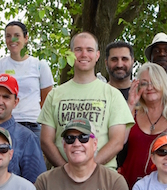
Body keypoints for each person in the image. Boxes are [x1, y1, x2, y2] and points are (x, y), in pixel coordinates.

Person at [37, 32, 133, 168]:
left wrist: (89, 169)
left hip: (101, 176)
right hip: (62, 177)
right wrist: (67, 171)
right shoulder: (55, 95)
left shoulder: (113, 95)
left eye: (89, 50)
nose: (84, 54)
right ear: (70, 54)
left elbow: (117, 141)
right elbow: (46, 141)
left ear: (97, 55)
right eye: (78, 50)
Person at [118, 63, 167, 189]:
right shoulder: (132, 112)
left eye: (155, 82)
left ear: (164, 84)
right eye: (144, 83)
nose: (149, 87)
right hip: (131, 186)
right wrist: (131, 104)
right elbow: (119, 141)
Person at [0, 21, 54, 142]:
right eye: (8, 36)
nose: (12, 39)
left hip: (33, 125)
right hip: (4, 124)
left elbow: (46, 100)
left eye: (17, 35)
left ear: (26, 38)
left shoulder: (39, 65)